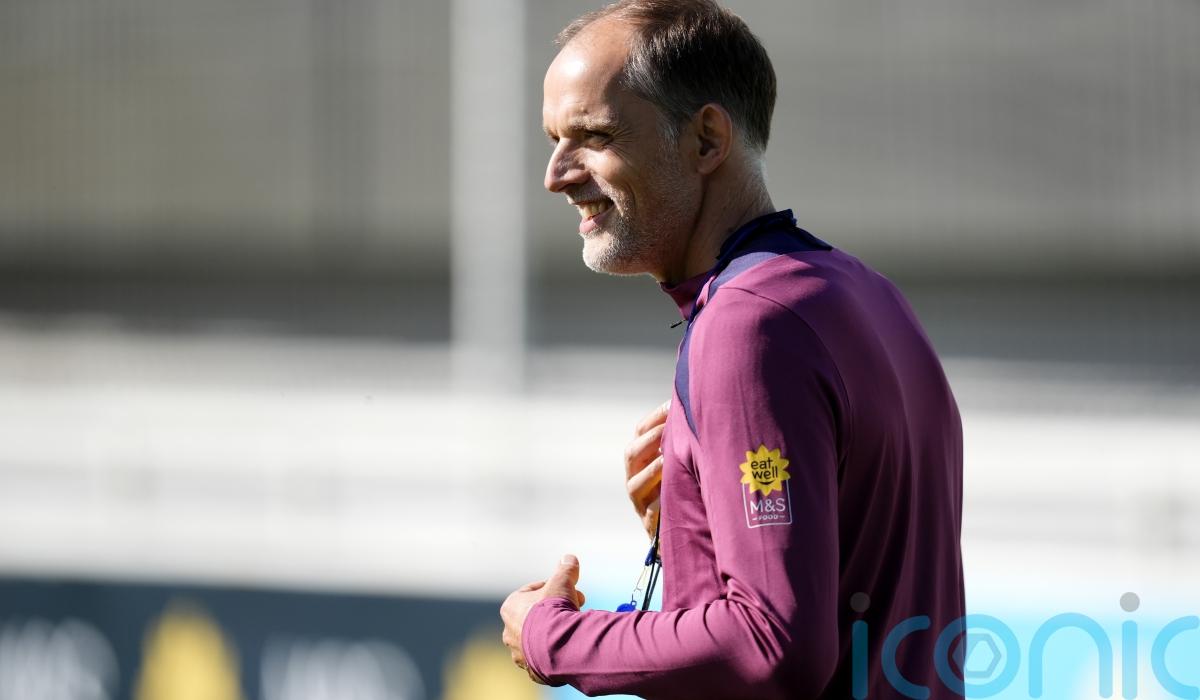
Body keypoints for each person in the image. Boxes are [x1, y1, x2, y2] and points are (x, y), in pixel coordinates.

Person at [499, 1, 966, 698]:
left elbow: (771, 646)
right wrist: (701, 527)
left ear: (707, 139)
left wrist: (553, 638)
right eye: (553, 140)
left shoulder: (749, 325)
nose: (556, 174)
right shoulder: (867, 294)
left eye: (593, 136)